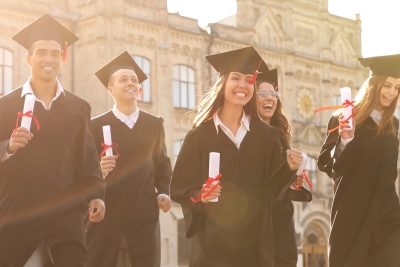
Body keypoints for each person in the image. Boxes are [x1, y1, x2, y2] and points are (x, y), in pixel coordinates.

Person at [170, 46, 303, 267]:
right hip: (213, 244)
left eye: (249, 79)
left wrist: (288, 169)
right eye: (236, 78)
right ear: (223, 84)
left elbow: (271, 191)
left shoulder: (265, 135)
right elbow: (180, 188)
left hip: (254, 244)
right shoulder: (200, 135)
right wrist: (201, 196)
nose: (243, 85)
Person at [0, 14, 106, 267]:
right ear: (29, 58)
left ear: (62, 58)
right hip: (20, 209)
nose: (49, 59)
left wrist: (96, 195)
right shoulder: (6, 105)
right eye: (42, 52)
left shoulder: (78, 107)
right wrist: (9, 146)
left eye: (55, 53)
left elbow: (87, 158)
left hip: (67, 210)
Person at [87, 51, 172, 267]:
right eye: (123, 79)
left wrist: (163, 191)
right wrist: (100, 169)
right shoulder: (95, 126)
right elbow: (85, 170)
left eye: (134, 80)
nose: (130, 83)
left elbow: (162, 163)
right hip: (108, 216)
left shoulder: (154, 124)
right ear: (110, 89)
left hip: (144, 216)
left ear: (140, 90)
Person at [318, 54, 400, 267]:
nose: (392, 92)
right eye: (388, 85)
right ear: (374, 85)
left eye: (397, 87)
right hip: (353, 210)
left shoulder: (393, 124)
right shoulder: (344, 119)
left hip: (387, 212)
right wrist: (346, 140)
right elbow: (326, 163)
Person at [256, 66, 312, 267]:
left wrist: (293, 180)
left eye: (273, 93)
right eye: (261, 93)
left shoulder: (281, 135)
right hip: (259, 220)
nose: (269, 97)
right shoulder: (246, 135)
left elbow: (280, 180)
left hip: (282, 221)